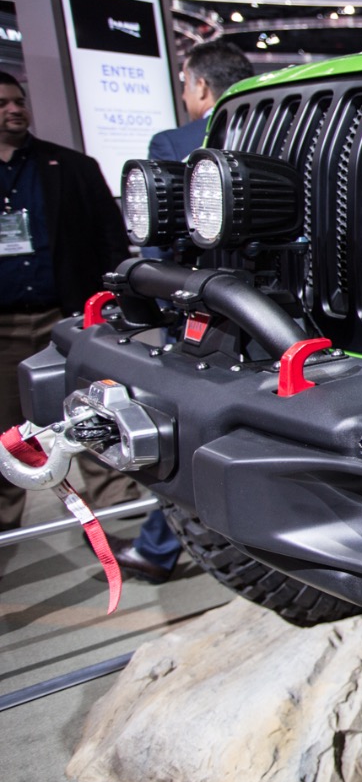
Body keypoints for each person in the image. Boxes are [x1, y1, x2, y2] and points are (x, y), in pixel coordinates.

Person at [108, 39, 256, 582]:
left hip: (204, 303)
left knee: (180, 423)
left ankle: (159, 547)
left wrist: (161, 294)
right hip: (272, 304)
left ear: (199, 86)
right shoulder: (273, 135)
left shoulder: (175, 142)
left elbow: (160, 240)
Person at [0, 71, 133, 534]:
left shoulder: (70, 166)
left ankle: (125, 523)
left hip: (70, 320)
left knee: (93, 418)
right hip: (6, 328)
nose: (15, 109)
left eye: (19, 101)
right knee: (8, 435)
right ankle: (7, 528)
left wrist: (116, 306)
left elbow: (110, 240)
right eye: (3, 103)